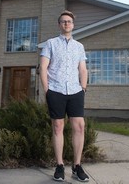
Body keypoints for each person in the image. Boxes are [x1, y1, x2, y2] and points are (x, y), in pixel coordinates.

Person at [40, 10, 89, 182]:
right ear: (59, 25)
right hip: (56, 90)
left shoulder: (79, 47)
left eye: (69, 21)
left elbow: (82, 69)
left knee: (79, 127)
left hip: (76, 91)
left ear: (73, 25)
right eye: (63, 21)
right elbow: (43, 68)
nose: (66, 24)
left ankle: (76, 166)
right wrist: (47, 90)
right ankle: (60, 165)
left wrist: (83, 88)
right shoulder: (50, 44)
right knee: (58, 127)